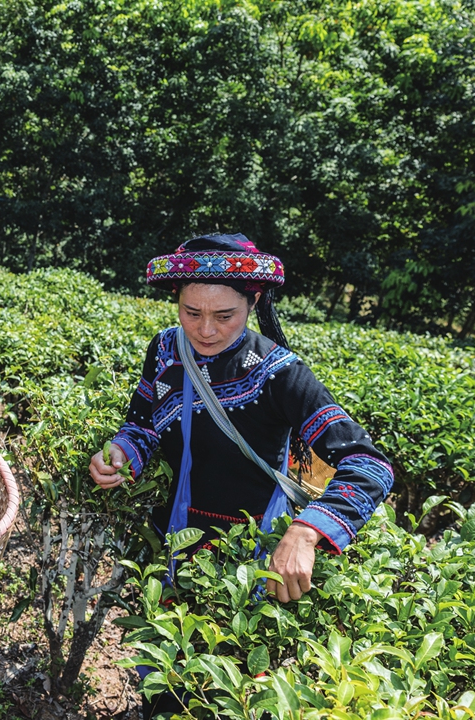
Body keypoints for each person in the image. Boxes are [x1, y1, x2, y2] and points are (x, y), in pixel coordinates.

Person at [89, 234, 394, 711]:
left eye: (224, 315)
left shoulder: (281, 373)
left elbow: (368, 463)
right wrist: (124, 451)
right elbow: (144, 422)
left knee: (226, 686)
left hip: (250, 553)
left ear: (252, 303)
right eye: (191, 312)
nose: (205, 330)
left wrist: (309, 531)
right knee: (164, 673)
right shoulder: (167, 349)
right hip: (175, 536)